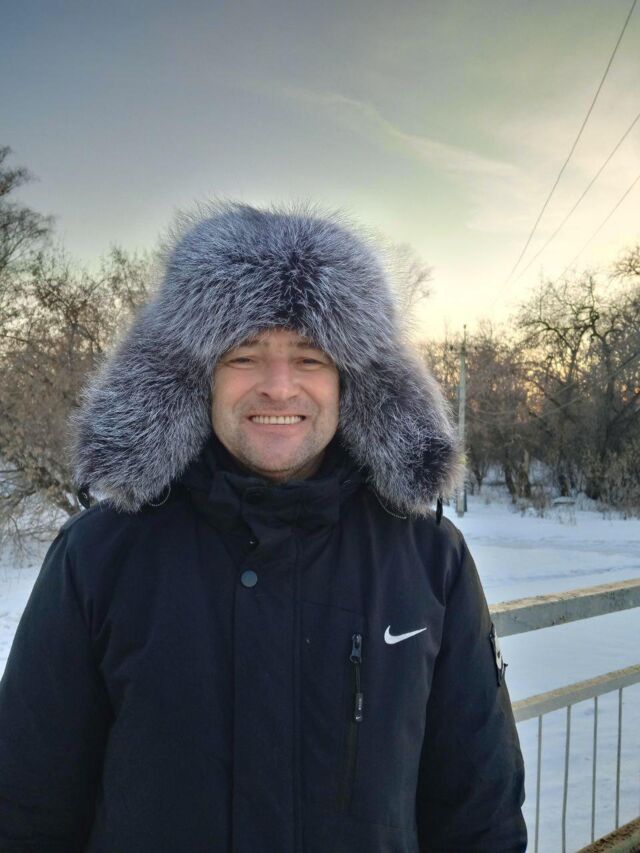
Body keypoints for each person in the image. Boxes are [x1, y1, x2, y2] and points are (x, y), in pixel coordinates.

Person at [0, 202, 527, 852]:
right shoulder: (100, 556)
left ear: (354, 382)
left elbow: (479, 812)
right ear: (196, 376)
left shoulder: (428, 560)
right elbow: (25, 807)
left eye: (310, 358)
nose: (279, 387)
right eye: (244, 356)